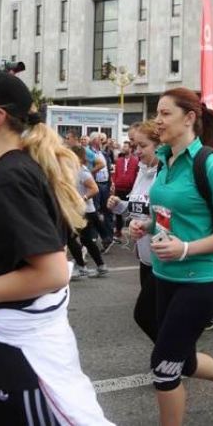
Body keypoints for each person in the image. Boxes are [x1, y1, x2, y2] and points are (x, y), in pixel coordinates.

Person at [0, 71, 112, 425]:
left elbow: (52, 272)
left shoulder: (9, 178)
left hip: (20, 350)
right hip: (3, 339)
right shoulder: (16, 171)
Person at [129, 87, 213, 424]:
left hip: (199, 280)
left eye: (165, 113)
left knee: (164, 368)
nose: (158, 120)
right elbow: (168, 212)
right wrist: (147, 223)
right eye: (157, 112)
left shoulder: (212, 166)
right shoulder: (166, 161)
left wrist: (185, 248)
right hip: (163, 275)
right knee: (176, 356)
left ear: (189, 118)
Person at [108, 120, 160, 341]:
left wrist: (148, 225)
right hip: (146, 258)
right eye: (134, 145)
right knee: (151, 316)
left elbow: (174, 217)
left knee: (146, 315)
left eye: (143, 145)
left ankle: (174, 363)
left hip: (165, 258)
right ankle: (171, 362)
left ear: (158, 145)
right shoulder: (142, 169)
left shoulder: (165, 174)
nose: (137, 151)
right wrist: (120, 206)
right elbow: (137, 211)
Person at [67, 144, 108, 278]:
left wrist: (81, 198)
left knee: (70, 238)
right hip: (84, 211)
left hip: (83, 211)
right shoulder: (75, 169)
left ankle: (81, 266)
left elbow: (94, 189)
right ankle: (101, 266)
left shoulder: (82, 171)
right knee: (86, 240)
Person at [111, 140, 139, 238]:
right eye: (124, 146)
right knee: (118, 210)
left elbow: (137, 175)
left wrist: (135, 187)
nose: (124, 148)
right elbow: (116, 174)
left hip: (130, 189)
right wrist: (113, 183)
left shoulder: (136, 160)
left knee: (131, 210)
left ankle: (132, 230)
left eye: (126, 146)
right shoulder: (119, 160)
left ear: (131, 149)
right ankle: (118, 230)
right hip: (119, 188)